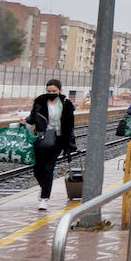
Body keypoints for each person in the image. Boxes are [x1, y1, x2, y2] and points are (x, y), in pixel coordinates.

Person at [26, 80, 76, 211]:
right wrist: (24, 121)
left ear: (60, 90)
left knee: (48, 169)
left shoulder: (66, 104)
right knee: (37, 170)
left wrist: (71, 142)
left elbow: (70, 125)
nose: (51, 93)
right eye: (49, 91)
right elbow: (32, 119)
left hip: (58, 140)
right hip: (40, 138)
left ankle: (44, 199)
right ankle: (45, 188)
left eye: (54, 91)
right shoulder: (39, 102)